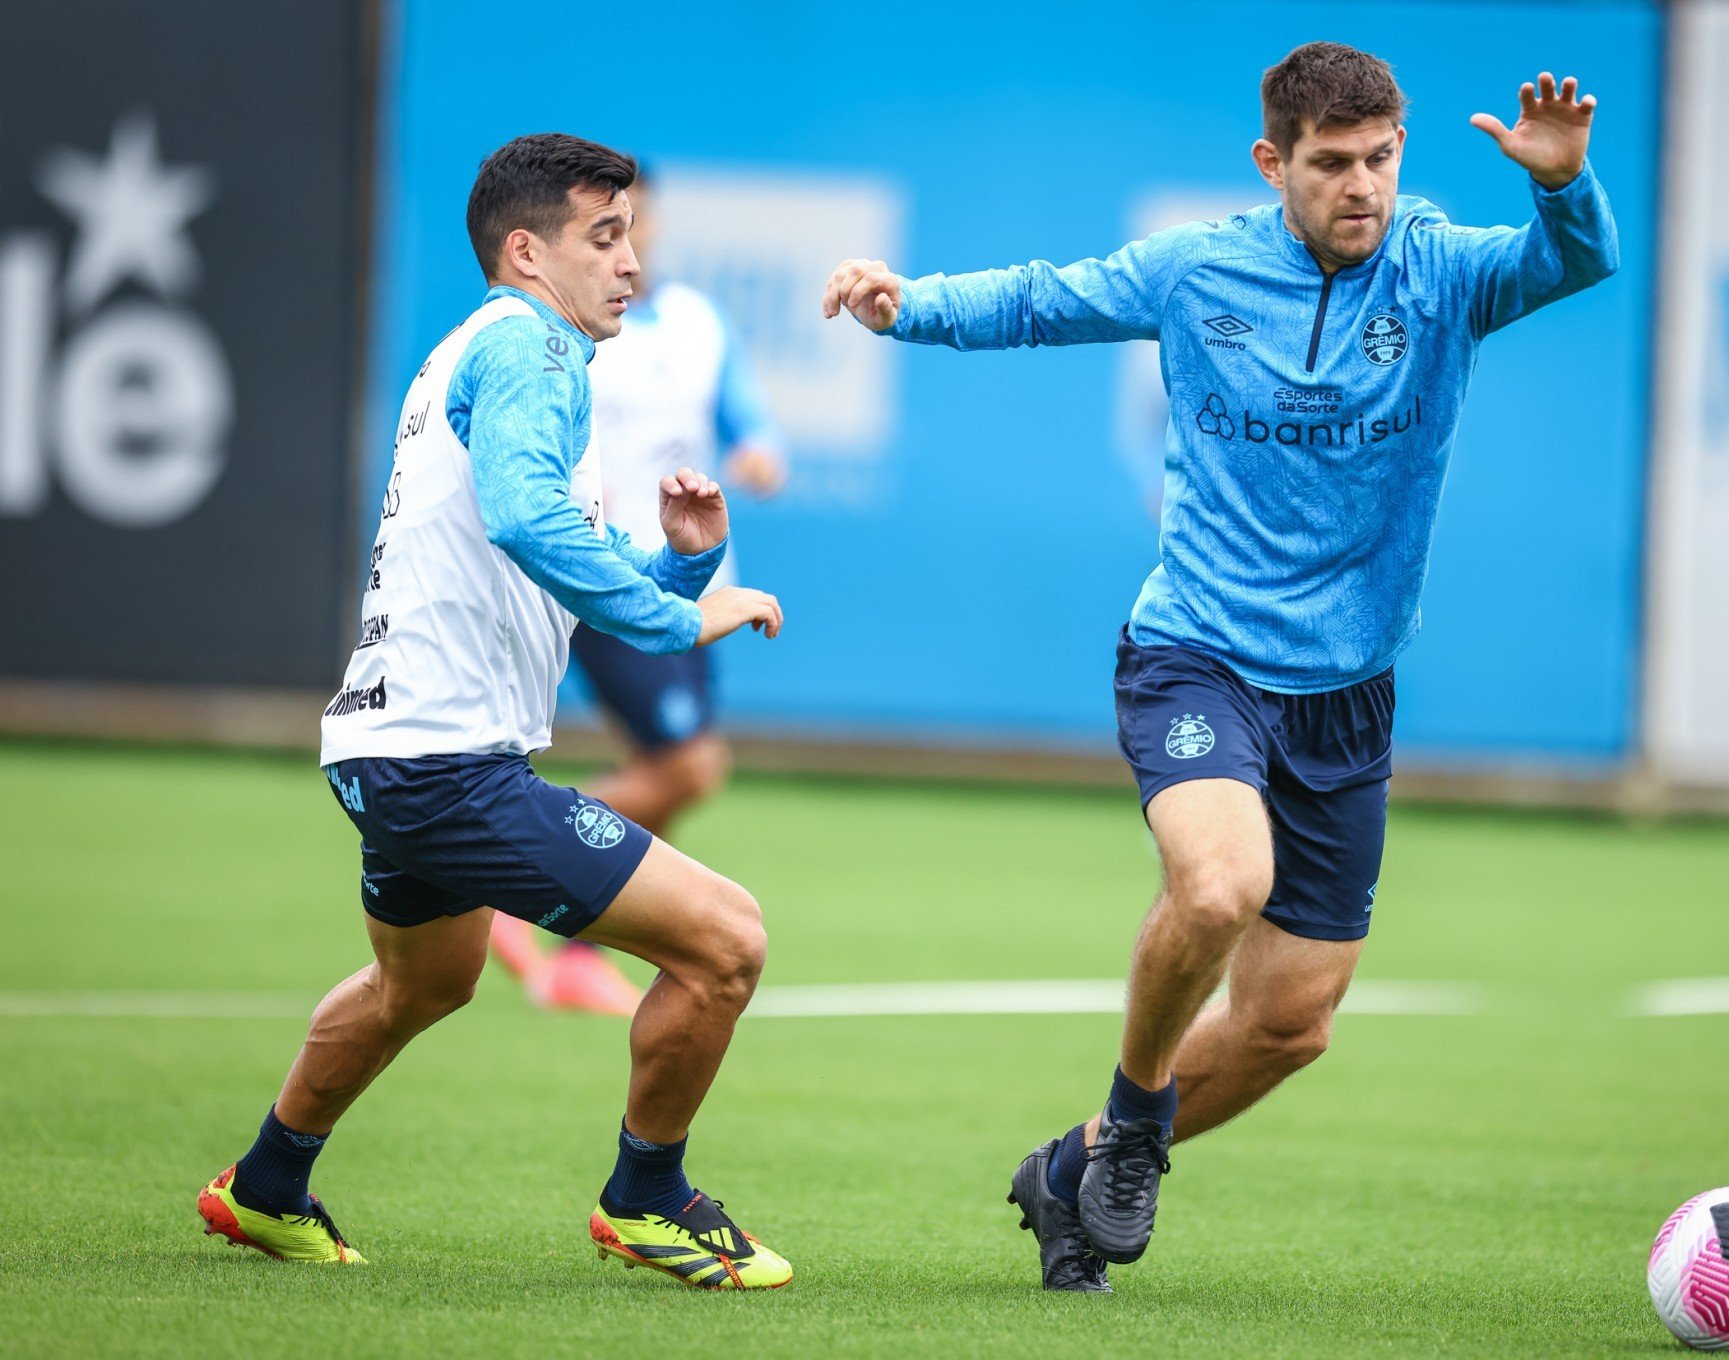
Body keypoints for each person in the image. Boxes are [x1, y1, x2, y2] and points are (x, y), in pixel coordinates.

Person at [822, 43, 1617, 1292]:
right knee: (1218, 887)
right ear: (1274, 163)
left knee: (1292, 1022)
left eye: (1380, 158)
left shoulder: (1441, 268)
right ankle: (1135, 1124)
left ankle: (1071, 1166)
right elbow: (1046, 298)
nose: (1362, 185)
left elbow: (1566, 262)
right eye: (1332, 163)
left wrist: (1563, 186)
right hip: (1198, 652)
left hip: (1349, 690)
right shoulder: (1200, 268)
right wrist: (906, 304)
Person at [196, 133, 794, 1290]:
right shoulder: (531, 348)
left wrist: (672, 565)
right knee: (727, 941)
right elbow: (528, 520)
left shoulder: (482, 351)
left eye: (632, 235)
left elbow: (533, 551)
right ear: (528, 252)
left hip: (387, 749)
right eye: (604, 238)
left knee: (421, 984)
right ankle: (650, 1199)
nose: (631, 263)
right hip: (444, 764)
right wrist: (687, 616)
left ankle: (265, 1188)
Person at [489, 172, 789, 1017]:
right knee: (689, 768)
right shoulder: (568, 334)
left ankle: (576, 946)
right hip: (610, 581)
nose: (629, 240)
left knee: (674, 773)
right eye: (608, 226)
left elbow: (749, 419)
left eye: (637, 220)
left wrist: (761, 452)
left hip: (695, 587)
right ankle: (498, 870)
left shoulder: (696, 323)